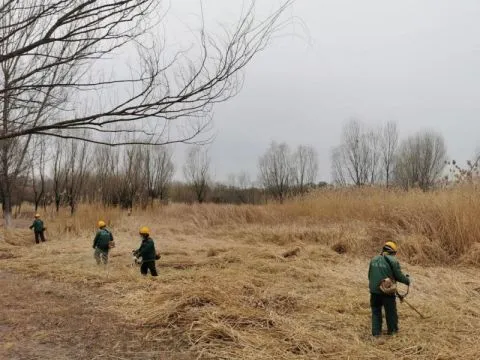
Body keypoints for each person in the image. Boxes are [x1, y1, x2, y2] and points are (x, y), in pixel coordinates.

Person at [368, 241, 410, 337]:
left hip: (374, 291)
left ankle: (376, 333)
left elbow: (369, 275)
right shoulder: (393, 261)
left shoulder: (373, 259)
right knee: (390, 312)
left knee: (376, 311)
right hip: (387, 292)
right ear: (393, 252)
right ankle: (393, 332)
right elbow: (399, 276)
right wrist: (407, 280)